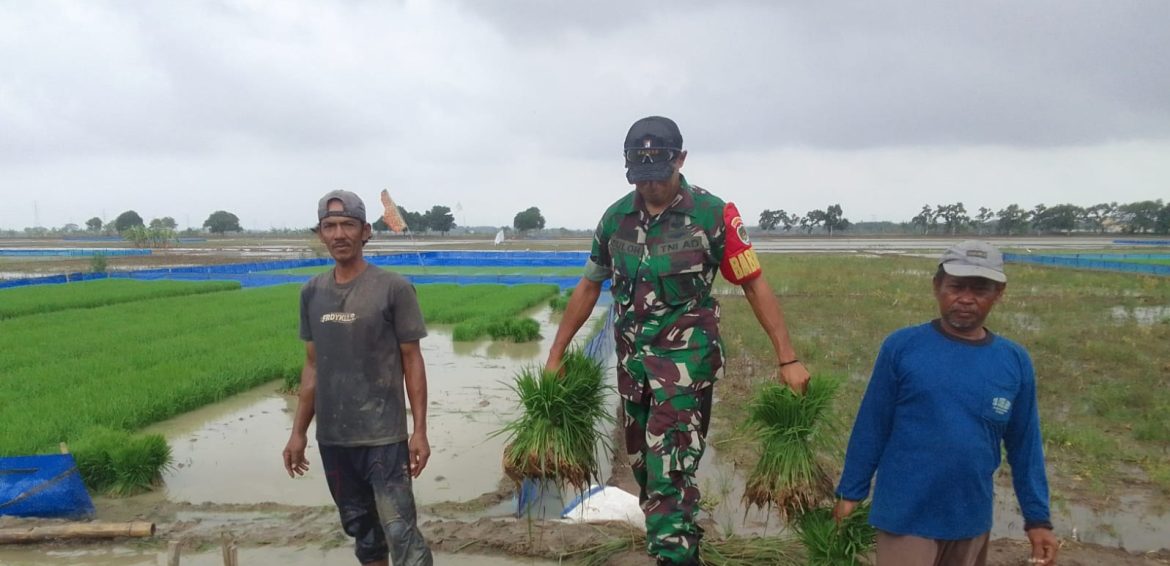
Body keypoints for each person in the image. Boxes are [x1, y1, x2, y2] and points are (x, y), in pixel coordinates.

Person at [545, 116, 810, 566]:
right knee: (649, 476)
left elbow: (754, 284)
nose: (650, 186)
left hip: (685, 373)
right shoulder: (615, 220)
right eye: (640, 177)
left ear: (680, 160)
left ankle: (674, 554)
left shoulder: (712, 215)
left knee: (669, 477)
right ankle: (682, 542)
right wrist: (556, 353)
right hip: (634, 373)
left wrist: (788, 359)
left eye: (658, 175)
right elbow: (590, 285)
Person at [834, 240, 1059, 566]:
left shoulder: (1014, 361)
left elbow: (1026, 446)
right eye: (956, 286)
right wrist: (850, 493)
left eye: (981, 289)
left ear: (999, 293)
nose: (966, 298)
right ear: (937, 286)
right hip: (905, 517)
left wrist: (1038, 520)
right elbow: (872, 425)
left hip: (970, 518)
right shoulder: (902, 347)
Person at [283, 190, 433, 566]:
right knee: (363, 532)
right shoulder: (312, 292)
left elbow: (412, 359)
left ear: (366, 231)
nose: (339, 234)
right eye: (329, 226)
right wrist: (298, 432)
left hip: (384, 436)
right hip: (334, 438)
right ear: (320, 233)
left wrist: (419, 430)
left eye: (347, 225)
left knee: (400, 530)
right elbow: (313, 366)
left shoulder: (393, 287)